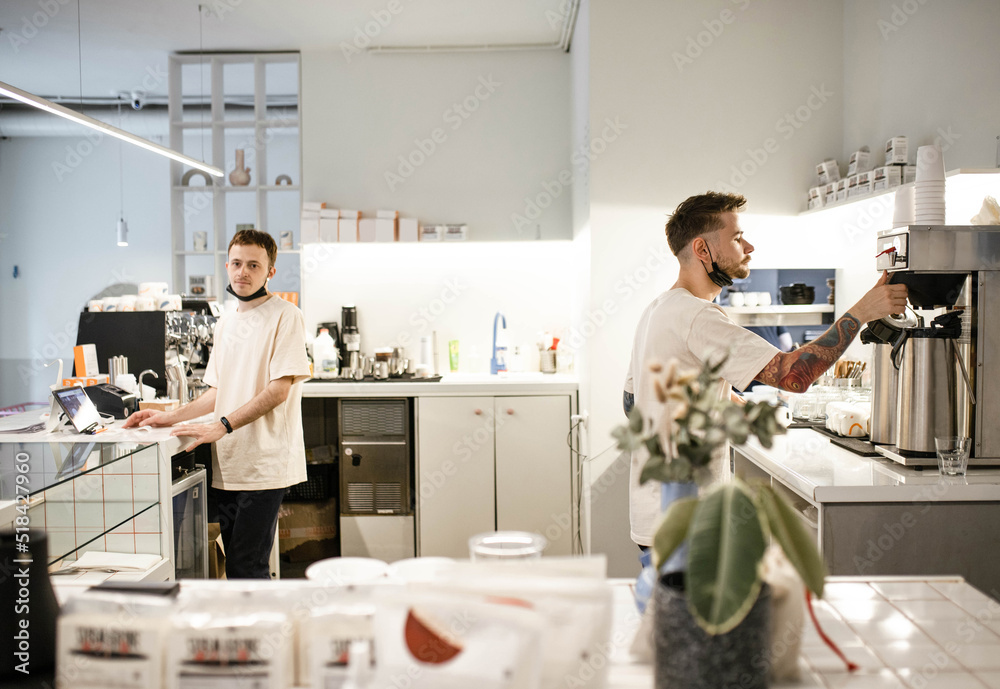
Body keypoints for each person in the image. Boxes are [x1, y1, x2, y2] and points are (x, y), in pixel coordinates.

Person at [623, 192, 908, 549]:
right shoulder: (698, 316)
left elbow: (634, 401)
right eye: (738, 238)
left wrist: (734, 410)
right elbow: (795, 375)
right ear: (702, 250)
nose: (750, 246)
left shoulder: (658, 309)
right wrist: (860, 312)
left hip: (657, 516)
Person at [124, 229, 310, 578]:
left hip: (265, 463)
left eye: (254, 265)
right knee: (238, 564)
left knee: (247, 565)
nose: (243, 272)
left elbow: (278, 390)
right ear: (226, 265)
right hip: (230, 463)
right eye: (237, 263)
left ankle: (264, 632)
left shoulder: (286, 316)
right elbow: (216, 392)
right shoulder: (226, 322)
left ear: (270, 271)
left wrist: (220, 425)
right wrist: (166, 417)